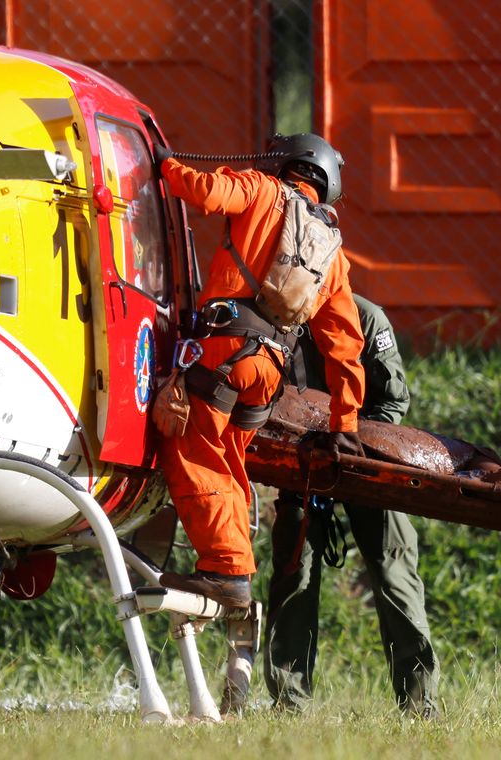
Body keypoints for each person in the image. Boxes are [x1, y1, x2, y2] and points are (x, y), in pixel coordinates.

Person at [153, 133, 366, 608]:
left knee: (192, 451)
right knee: (226, 462)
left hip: (223, 354)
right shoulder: (333, 252)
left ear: (286, 162)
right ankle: (230, 567)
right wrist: (344, 423)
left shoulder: (261, 190)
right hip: (267, 373)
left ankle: (227, 570)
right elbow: (346, 345)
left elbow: (206, 193)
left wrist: (167, 166)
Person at [265, 295, 439, 718]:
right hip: (302, 461)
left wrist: (354, 450)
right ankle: (290, 705)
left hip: (368, 461)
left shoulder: (365, 318)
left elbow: (393, 403)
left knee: (394, 569)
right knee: (294, 571)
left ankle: (419, 705)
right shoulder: (271, 315)